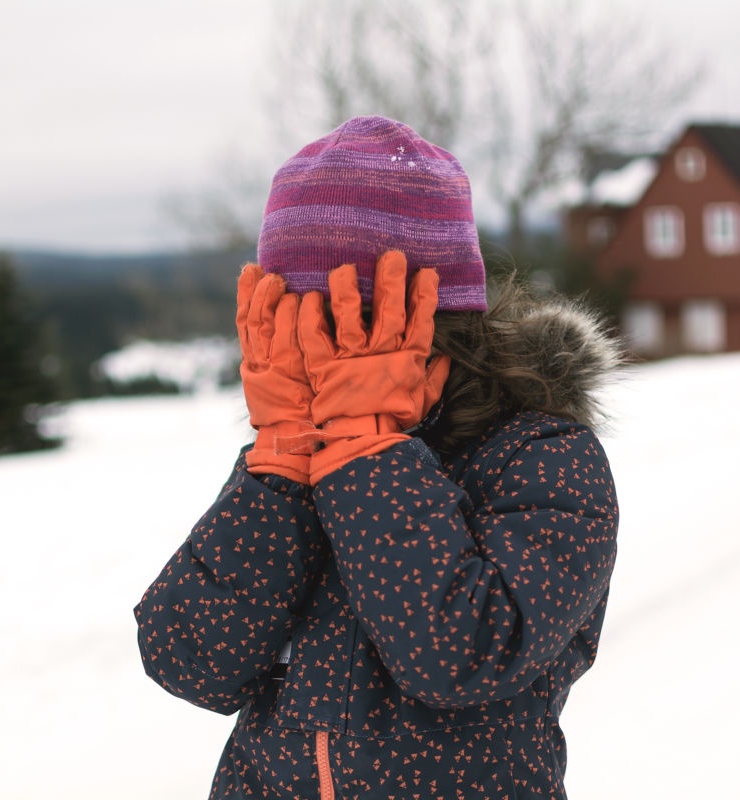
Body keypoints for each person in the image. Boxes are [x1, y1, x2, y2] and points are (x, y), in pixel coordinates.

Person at [135, 116, 620, 799]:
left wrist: (369, 453)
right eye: (296, 325)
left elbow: (462, 657)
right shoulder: (298, 451)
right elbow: (188, 658)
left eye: (342, 325)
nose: (317, 357)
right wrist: (279, 463)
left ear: (432, 320)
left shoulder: (543, 459)